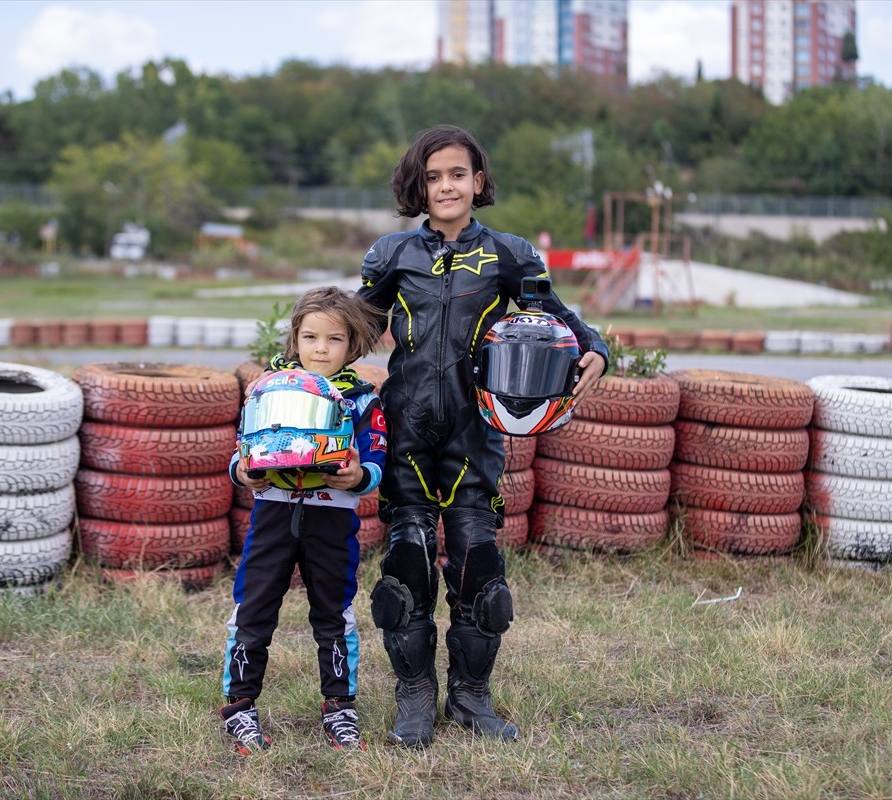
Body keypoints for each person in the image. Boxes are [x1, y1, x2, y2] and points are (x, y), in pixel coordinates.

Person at [358, 124, 608, 747]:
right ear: (418, 184)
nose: (446, 185)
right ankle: (414, 697)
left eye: (458, 173)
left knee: (480, 571)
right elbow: (347, 328)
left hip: (477, 436)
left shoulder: (509, 254)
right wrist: (295, 375)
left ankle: (472, 698)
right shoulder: (391, 255)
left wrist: (597, 349)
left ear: (479, 181)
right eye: (434, 175)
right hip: (407, 434)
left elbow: (562, 319)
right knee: (404, 569)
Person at [219, 286, 388, 755]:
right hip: (273, 515)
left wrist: (358, 476)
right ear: (294, 339)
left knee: (333, 614)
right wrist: (244, 473)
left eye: (334, 339)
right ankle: (238, 706)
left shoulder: (361, 400)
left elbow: (377, 462)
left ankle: (340, 708)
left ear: (353, 345)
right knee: (253, 611)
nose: (320, 348)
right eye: (310, 336)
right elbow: (241, 452)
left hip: (332, 522)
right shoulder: (267, 391)